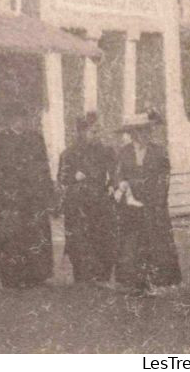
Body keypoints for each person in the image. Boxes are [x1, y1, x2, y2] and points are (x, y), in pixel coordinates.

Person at [0, 109, 55, 288]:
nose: (18, 122)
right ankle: (9, 274)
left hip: (32, 196)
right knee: (9, 234)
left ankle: (35, 274)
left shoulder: (36, 139)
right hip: (9, 195)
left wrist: (48, 193)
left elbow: (44, 167)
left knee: (33, 233)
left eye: (22, 118)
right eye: (14, 118)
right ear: (9, 120)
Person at [113, 112, 182, 295]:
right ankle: (134, 281)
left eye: (148, 131)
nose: (146, 135)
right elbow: (118, 174)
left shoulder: (159, 152)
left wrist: (156, 200)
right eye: (142, 131)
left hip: (153, 205)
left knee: (155, 242)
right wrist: (121, 184)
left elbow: (163, 178)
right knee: (132, 243)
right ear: (133, 133)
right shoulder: (124, 152)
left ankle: (156, 281)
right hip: (131, 206)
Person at [58, 111, 117, 284]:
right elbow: (62, 177)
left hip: (100, 201)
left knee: (102, 238)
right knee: (79, 240)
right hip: (78, 205)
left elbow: (115, 172)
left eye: (98, 131)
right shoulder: (69, 153)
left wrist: (113, 186)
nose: (96, 135)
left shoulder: (106, 151)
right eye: (92, 131)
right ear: (81, 132)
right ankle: (82, 275)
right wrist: (73, 177)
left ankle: (102, 274)